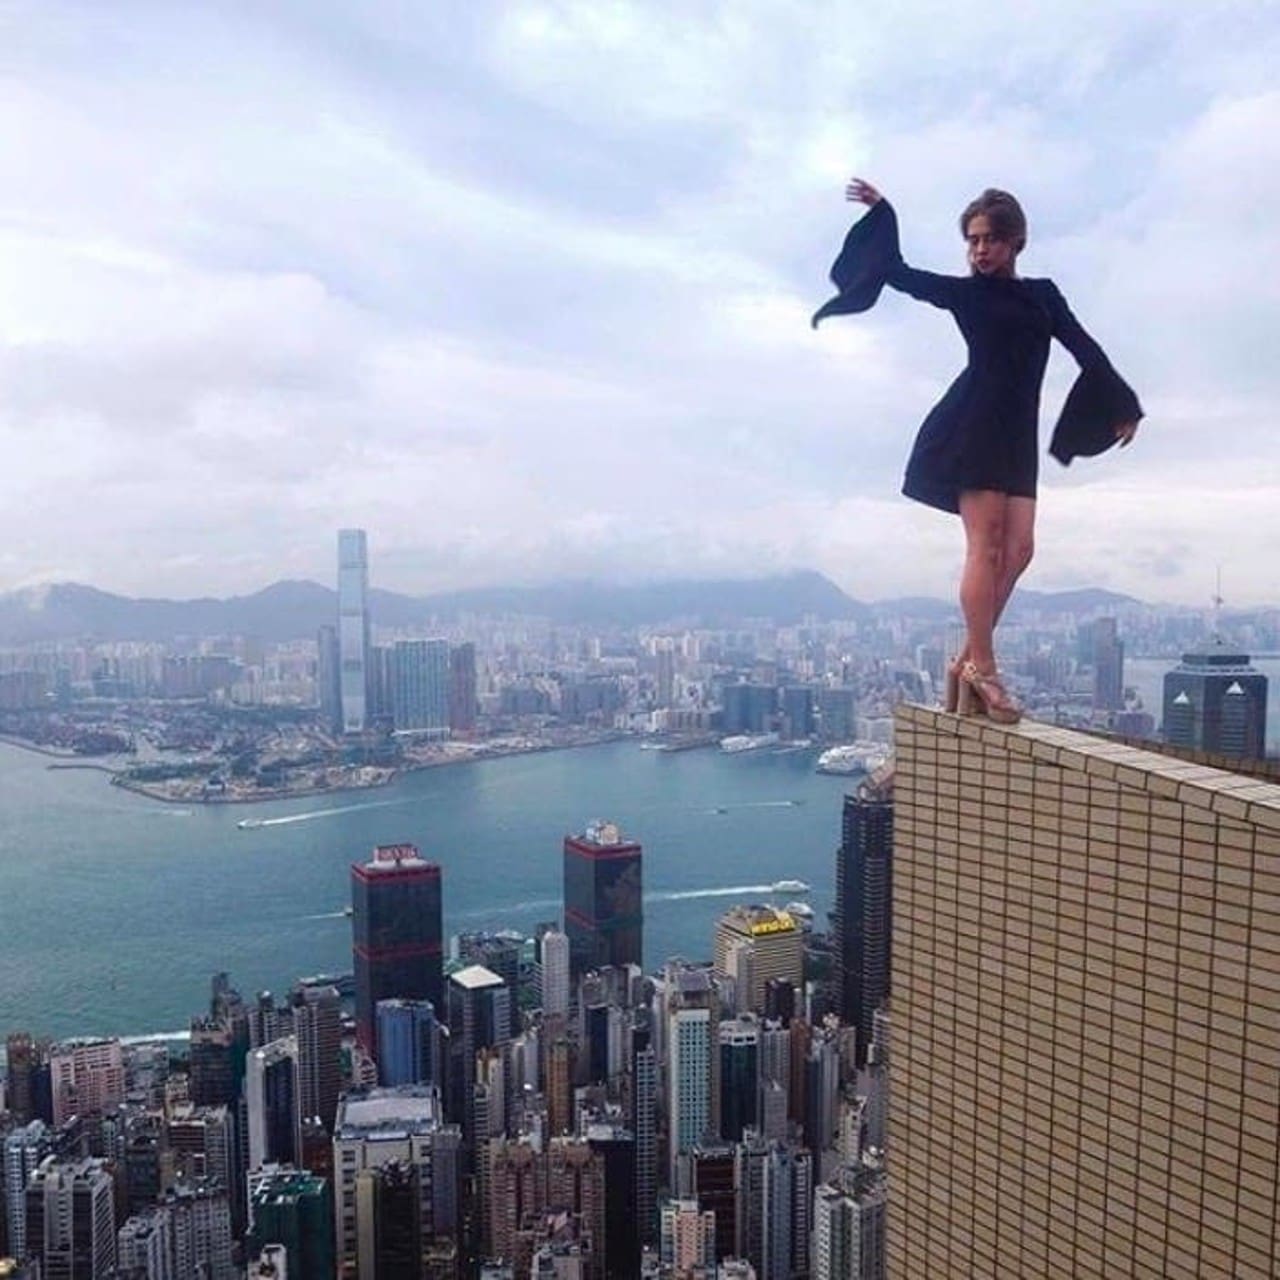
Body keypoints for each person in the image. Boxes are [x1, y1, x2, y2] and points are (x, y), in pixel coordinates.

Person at [813, 178, 1142, 723]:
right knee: (985, 548)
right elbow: (898, 273)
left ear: (1015, 241)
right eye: (972, 240)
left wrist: (1121, 405)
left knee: (1020, 551)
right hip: (973, 425)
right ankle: (985, 670)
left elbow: (1084, 347)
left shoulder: (1044, 295)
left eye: (990, 239)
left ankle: (966, 660)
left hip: (1018, 434)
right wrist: (884, 212)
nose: (980, 249)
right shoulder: (965, 294)